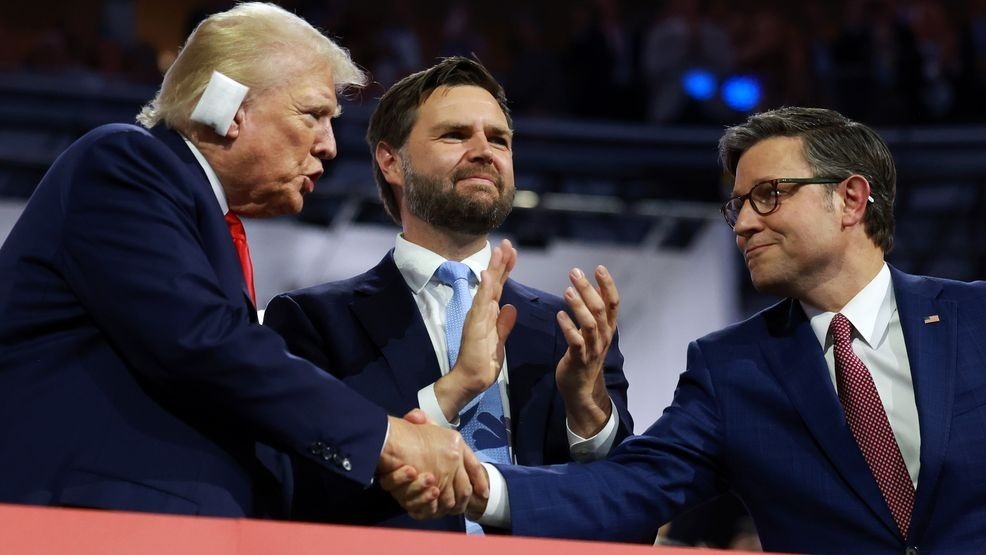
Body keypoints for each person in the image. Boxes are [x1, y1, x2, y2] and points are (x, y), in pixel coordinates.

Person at [392, 106, 986, 552]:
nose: (743, 224)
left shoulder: (975, 317)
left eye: (768, 196)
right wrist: (485, 487)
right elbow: (632, 486)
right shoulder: (732, 368)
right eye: (738, 205)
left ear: (851, 199)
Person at [0, 3, 502, 519]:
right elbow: (204, 344)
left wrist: (425, 416)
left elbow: (249, 414)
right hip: (91, 526)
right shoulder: (124, 163)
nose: (329, 146)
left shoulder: (206, 226)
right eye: (313, 115)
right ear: (230, 107)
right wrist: (387, 439)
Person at [263, 56, 633, 532]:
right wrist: (453, 390)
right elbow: (301, 489)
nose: (484, 151)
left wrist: (587, 406)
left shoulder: (571, 329)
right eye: (455, 135)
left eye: (498, 139)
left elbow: (628, 506)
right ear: (391, 161)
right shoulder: (313, 322)